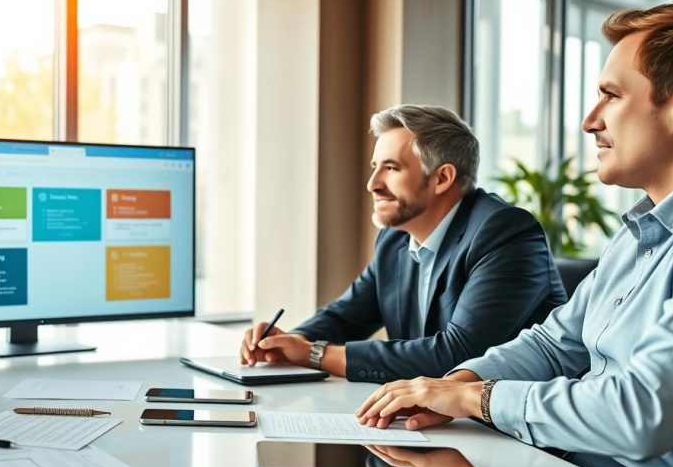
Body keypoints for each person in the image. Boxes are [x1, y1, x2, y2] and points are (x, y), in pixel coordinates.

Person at [355, 0, 673, 467]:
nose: (589, 120)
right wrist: (454, 386)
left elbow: (642, 413)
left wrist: (476, 398)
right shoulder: (647, 226)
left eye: (610, 95)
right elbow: (556, 343)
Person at [240, 105, 566, 382]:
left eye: (391, 168)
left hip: (510, 435)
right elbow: (346, 316)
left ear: (442, 178)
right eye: (374, 168)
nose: (372, 184)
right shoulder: (395, 239)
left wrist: (313, 354)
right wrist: (286, 340)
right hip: (432, 422)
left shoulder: (505, 232)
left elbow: (458, 354)